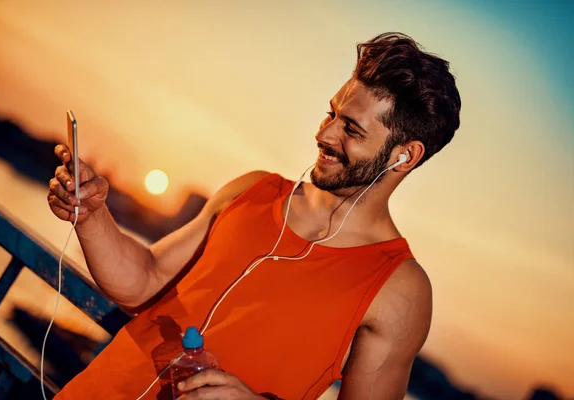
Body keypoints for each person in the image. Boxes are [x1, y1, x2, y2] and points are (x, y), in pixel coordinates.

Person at [47, 32, 461, 400]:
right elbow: (144, 282)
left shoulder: (400, 289)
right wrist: (91, 214)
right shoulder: (253, 189)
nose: (324, 133)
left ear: (404, 156)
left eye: (351, 129)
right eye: (331, 113)